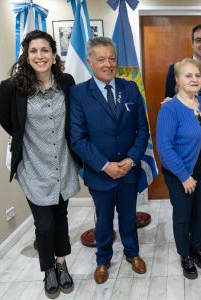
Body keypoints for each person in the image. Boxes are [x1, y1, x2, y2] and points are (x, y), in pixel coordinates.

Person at [0, 30, 79, 299]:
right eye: (33, 51)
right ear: (26, 55)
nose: (39, 56)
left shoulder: (66, 82)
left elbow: (74, 119)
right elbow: (8, 123)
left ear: (54, 54)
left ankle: (62, 264)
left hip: (63, 166)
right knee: (44, 225)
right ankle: (48, 271)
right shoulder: (11, 88)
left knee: (61, 218)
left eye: (45, 50)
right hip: (33, 167)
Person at [69, 37, 149, 284]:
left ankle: (132, 254)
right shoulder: (79, 93)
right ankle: (103, 260)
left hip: (128, 171)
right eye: (101, 59)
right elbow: (77, 138)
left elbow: (143, 130)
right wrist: (105, 165)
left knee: (128, 216)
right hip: (99, 174)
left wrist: (131, 160)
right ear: (90, 61)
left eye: (112, 58)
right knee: (102, 220)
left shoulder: (131, 88)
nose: (108, 64)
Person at [157, 58, 201, 280]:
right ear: (177, 79)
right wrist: (184, 176)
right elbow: (164, 148)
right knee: (183, 216)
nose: (194, 79)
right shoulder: (170, 108)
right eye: (188, 75)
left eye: (197, 75)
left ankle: (196, 248)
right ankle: (185, 255)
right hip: (179, 175)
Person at [165, 24, 201, 244]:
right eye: (199, 39)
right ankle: (186, 248)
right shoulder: (177, 69)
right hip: (186, 144)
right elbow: (169, 100)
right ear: (192, 42)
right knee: (185, 211)